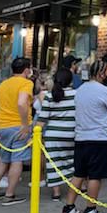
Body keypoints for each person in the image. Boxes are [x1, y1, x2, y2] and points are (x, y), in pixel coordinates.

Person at [61, 59, 107, 213]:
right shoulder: (106, 92)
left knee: (79, 173)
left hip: (81, 136)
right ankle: (90, 208)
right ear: (101, 74)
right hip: (100, 138)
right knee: (95, 175)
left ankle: (69, 207)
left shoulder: (80, 90)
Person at [0, 58, 34, 205]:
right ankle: (9, 194)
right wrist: (25, 125)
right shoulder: (26, 83)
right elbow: (21, 102)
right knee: (17, 160)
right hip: (18, 126)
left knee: (3, 158)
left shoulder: (4, 84)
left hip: (3, 126)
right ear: (26, 70)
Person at [37, 69, 77, 201]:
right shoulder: (77, 94)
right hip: (72, 134)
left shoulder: (50, 95)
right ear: (71, 80)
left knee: (53, 163)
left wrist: (36, 134)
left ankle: (56, 193)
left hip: (53, 136)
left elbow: (42, 119)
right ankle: (76, 188)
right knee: (73, 161)